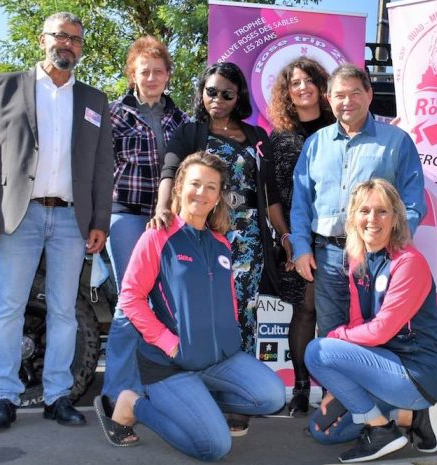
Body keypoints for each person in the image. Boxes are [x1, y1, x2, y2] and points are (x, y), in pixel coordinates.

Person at [0, 12, 114, 431]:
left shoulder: (93, 100)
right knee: (10, 307)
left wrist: (99, 221)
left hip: (72, 219)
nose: (67, 44)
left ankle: (57, 396)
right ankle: (4, 398)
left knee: (65, 311)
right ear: (42, 39)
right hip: (19, 216)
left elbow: (103, 166)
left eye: (75, 40)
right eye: (60, 36)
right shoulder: (4, 86)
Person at [100, 152, 285, 460]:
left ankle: (195, 402)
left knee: (272, 396)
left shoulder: (221, 243)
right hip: (169, 363)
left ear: (218, 197)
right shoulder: (158, 236)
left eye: (212, 187)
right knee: (214, 447)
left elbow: (225, 300)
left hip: (215, 358)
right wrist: (168, 343)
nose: (202, 193)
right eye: (196, 184)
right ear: (180, 187)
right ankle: (134, 405)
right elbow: (131, 298)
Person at [151, 62, 291, 434]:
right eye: (211, 91)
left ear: (239, 97)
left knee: (242, 314)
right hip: (202, 235)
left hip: (246, 241)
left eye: (227, 93)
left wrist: (286, 235)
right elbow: (170, 172)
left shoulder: (256, 136)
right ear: (202, 92)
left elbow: (270, 194)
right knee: (199, 314)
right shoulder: (189, 132)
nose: (217, 99)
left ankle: (237, 399)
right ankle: (198, 393)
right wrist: (164, 209)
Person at [304, 179, 437, 463]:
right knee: (323, 432)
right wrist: (342, 384)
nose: (372, 219)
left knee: (317, 351)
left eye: (382, 211)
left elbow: (380, 332)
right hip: (383, 368)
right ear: (354, 217)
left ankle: (381, 429)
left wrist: (335, 339)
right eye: (364, 210)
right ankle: (408, 415)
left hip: (418, 373)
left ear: (395, 218)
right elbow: (360, 323)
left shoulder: (409, 263)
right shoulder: (358, 259)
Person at [96, 35, 188, 446]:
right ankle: (116, 392)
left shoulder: (180, 119)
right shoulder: (114, 113)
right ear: (132, 74)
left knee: (164, 304)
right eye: (143, 70)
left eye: (158, 71)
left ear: (168, 75)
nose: (151, 77)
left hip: (169, 221)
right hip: (128, 217)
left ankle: (151, 389)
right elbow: (100, 169)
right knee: (130, 301)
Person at [290, 63, 426, 341]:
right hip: (326, 255)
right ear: (329, 99)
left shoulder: (396, 141)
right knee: (331, 335)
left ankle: (369, 384)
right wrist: (301, 248)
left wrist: (397, 242)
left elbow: (413, 199)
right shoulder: (315, 144)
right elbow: (301, 201)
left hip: (376, 255)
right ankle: (334, 387)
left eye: (355, 93)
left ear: (369, 94)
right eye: (339, 95)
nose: (347, 101)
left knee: (377, 330)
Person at [266, 57, 335, 416]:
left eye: (310, 80)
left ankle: (337, 391)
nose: (303, 87)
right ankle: (301, 388)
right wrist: (287, 238)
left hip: (338, 237)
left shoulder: (340, 127)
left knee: (339, 315)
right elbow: (273, 195)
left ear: (322, 87)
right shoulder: (279, 138)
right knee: (305, 311)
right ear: (286, 91)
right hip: (297, 241)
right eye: (295, 82)